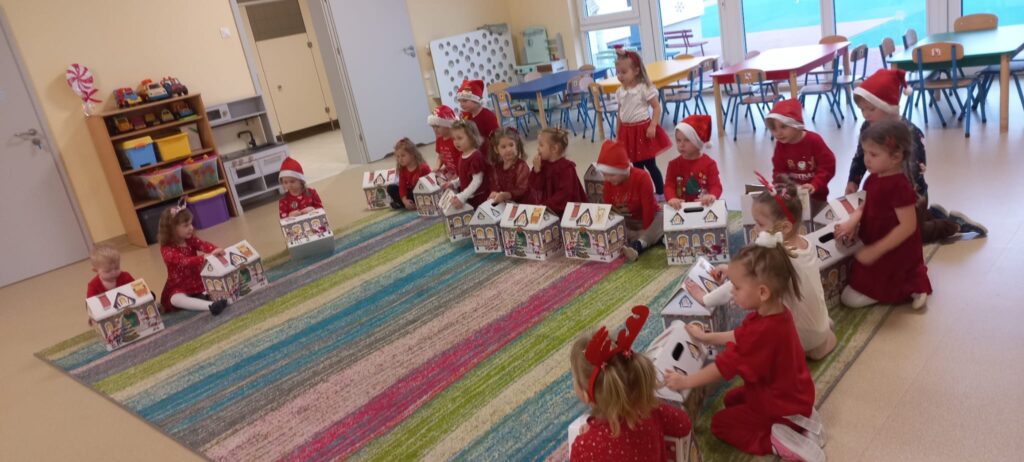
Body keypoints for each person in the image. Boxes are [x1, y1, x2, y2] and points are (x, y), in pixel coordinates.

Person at [664, 234, 823, 461]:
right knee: (731, 399)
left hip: (779, 407)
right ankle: (798, 421)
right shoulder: (777, 314)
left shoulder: (761, 333)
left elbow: (721, 368)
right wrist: (707, 337)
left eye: (737, 287)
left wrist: (685, 382)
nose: (732, 291)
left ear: (762, 292)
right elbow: (741, 335)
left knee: (719, 424)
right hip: (792, 395)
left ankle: (775, 441)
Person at [692, 176, 836, 359]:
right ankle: (820, 342)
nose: (755, 229)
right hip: (820, 325)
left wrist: (705, 299)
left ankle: (806, 347)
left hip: (796, 337)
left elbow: (736, 286)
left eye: (760, 224)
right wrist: (730, 269)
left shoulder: (774, 257)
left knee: (754, 331)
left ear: (785, 228)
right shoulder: (806, 243)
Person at [845, 68, 986, 241]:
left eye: (871, 109)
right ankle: (932, 214)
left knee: (910, 236)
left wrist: (887, 199)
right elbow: (860, 157)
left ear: (888, 106)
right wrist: (853, 181)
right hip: (885, 194)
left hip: (911, 197)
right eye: (862, 110)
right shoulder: (868, 127)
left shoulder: (909, 133)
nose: (866, 114)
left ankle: (954, 225)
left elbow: (912, 175)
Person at [569, 306, 692, 461]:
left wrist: (586, 437)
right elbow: (684, 424)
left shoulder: (585, 447)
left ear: (586, 395)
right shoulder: (649, 411)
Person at [835, 119, 932, 309]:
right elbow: (866, 205)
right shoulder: (873, 178)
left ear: (895, 157)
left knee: (850, 298)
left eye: (873, 154)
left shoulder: (899, 186)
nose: (866, 159)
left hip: (893, 250)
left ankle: (912, 287)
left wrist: (875, 250)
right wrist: (852, 221)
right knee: (849, 292)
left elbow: (908, 227)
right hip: (876, 240)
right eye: (865, 153)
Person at [613, 47, 672, 200]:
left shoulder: (644, 88)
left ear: (636, 71)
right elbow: (620, 114)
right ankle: (644, 192)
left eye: (624, 72)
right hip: (627, 133)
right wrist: (618, 133)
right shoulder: (619, 91)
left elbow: (657, 107)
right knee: (637, 168)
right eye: (617, 72)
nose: (620, 76)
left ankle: (660, 193)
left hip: (642, 132)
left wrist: (653, 125)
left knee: (650, 165)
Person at [158, 203, 229, 315]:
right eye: (186, 225)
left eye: (191, 224)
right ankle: (211, 306)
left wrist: (216, 250)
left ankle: (210, 297)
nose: (191, 228)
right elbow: (184, 261)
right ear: (172, 229)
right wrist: (204, 257)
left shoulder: (190, 239)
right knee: (175, 299)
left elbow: (204, 245)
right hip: (179, 286)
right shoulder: (166, 249)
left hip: (197, 281)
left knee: (214, 281)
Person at [597, 140, 661, 262]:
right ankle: (648, 240)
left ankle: (638, 244)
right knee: (611, 228)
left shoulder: (642, 177)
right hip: (627, 223)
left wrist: (646, 229)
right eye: (604, 175)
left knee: (662, 218)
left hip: (648, 219)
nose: (608, 179)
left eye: (612, 175)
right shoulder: (608, 183)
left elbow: (648, 209)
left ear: (623, 170)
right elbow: (610, 210)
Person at [766, 99, 836, 212]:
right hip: (793, 198)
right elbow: (779, 170)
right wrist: (778, 185)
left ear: (796, 124)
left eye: (783, 127)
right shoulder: (781, 145)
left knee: (819, 220)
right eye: (774, 128)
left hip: (817, 197)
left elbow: (827, 166)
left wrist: (815, 184)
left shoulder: (814, 140)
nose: (778, 133)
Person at [665, 114, 722, 208]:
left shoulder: (709, 164)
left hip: (704, 207)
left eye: (687, 140)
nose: (681, 145)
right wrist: (671, 198)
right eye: (678, 140)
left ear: (697, 142)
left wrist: (712, 196)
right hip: (681, 208)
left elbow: (716, 186)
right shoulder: (673, 165)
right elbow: (669, 185)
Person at [528, 127, 586, 215]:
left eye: (541, 145)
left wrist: (547, 206)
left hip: (566, 211)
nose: (538, 148)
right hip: (547, 210)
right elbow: (535, 187)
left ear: (554, 149)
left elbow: (565, 194)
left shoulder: (566, 168)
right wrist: (536, 171)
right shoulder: (542, 164)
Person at [448, 120, 493, 208]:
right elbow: (465, 177)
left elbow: (477, 181)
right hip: (469, 196)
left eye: (459, 138)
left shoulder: (476, 157)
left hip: (479, 198)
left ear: (472, 138)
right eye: (454, 139)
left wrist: (462, 196)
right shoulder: (463, 155)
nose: (456, 142)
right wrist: (454, 183)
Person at [456, 79, 499, 156]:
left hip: (487, 153)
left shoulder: (488, 116)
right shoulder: (466, 116)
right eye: (460, 101)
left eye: (465, 101)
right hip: (474, 152)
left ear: (477, 100)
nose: (461, 104)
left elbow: (496, 137)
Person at [488, 127, 530, 204]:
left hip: (522, 204)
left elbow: (522, 189)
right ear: (496, 149)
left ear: (516, 145)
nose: (508, 149)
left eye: (511, 145)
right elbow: (494, 185)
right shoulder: (496, 167)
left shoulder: (521, 166)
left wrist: (506, 195)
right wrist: (494, 193)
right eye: (503, 147)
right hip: (503, 204)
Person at [387, 138, 431, 210]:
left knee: (415, 189)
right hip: (410, 194)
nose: (400, 159)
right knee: (391, 188)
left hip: (422, 193)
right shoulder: (402, 169)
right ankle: (406, 204)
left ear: (412, 154)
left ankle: (407, 204)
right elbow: (402, 186)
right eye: (398, 157)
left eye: (403, 156)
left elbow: (430, 185)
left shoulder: (423, 168)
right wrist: (404, 200)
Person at [427, 104, 460, 181]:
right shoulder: (439, 139)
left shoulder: (456, 139)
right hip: (449, 171)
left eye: (437, 126)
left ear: (448, 125)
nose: (435, 129)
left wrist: (457, 176)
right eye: (433, 127)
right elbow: (440, 156)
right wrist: (437, 167)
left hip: (460, 171)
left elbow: (464, 159)